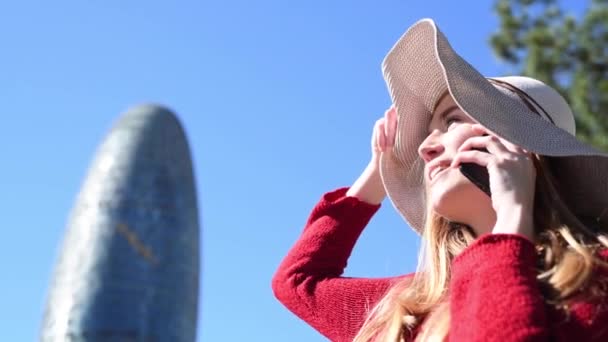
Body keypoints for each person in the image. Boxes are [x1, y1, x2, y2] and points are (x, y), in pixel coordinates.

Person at [272, 19, 608, 341]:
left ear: (521, 147)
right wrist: (380, 169)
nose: (424, 147)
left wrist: (511, 219)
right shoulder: (408, 304)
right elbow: (297, 282)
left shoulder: (593, 277)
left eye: (450, 121)